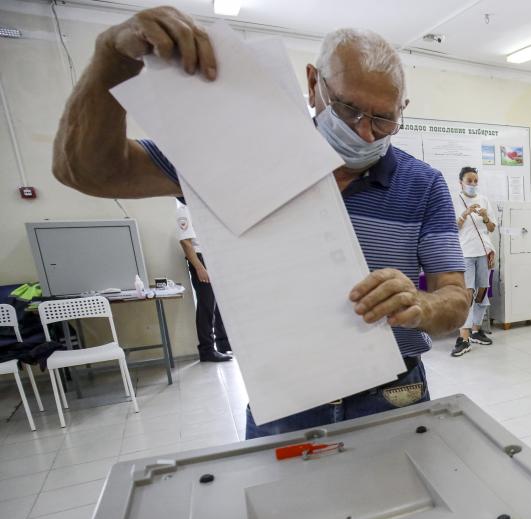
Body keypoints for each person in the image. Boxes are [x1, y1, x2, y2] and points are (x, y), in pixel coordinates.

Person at [52, 6, 471, 437]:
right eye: (349, 110)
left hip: (394, 393)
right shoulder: (241, 154)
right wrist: (111, 59)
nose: (366, 134)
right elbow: (86, 171)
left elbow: (454, 297)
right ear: (313, 85)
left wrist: (424, 305)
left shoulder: (423, 184)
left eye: (384, 119)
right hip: (287, 397)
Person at [175, 201, 232, 363]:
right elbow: (185, 242)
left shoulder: (201, 207)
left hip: (212, 256)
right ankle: (207, 350)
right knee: (206, 304)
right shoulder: (183, 211)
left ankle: (222, 342)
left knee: (218, 302)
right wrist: (199, 267)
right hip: (200, 260)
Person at [452, 166, 496, 357]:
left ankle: (477, 330)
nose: (473, 184)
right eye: (469, 181)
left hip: (484, 251)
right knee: (467, 293)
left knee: (482, 291)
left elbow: (492, 228)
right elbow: (451, 227)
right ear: (461, 182)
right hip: (465, 252)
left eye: (475, 181)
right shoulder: (455, 200)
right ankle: (463, 337)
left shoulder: (484, 199)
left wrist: (485, 217)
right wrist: (465, 214)